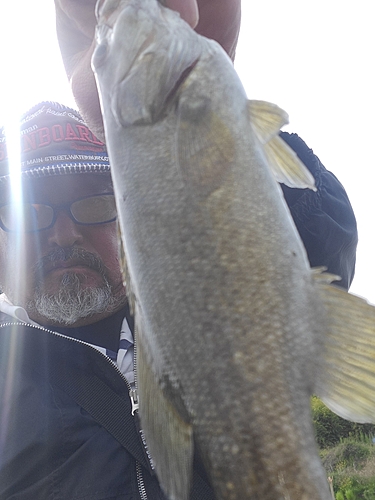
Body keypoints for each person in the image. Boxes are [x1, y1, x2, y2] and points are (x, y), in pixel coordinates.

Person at [0, 3, 357, 500]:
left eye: (96, 201)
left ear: (130, 213)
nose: (62, 234)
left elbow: (319, 251)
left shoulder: (205, 307)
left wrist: (216, 119)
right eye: (30, 213)